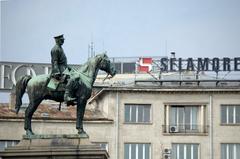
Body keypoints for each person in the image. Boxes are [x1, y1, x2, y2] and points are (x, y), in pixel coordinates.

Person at [50, 34, 76, 105]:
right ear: (57, 40)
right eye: (61, 40)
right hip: (60, 69)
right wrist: (56, 72)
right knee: (72, 80)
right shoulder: (55, 49)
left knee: (76, 76)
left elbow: (63, 62)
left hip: (64, 68)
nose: (63, 41)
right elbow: (55, 62)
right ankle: (67, 97)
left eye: (63, 40)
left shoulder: (60, 48)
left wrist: (69, 68)